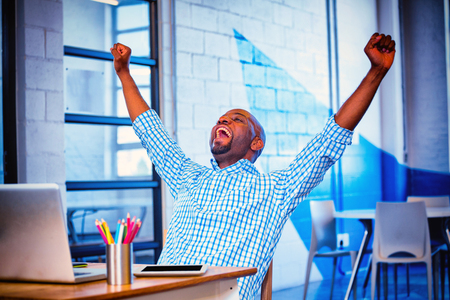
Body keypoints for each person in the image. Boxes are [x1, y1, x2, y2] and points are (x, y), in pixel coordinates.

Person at [110, 33, 395, 300]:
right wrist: (124, 73)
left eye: (236, 119)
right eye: (221, 119)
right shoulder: (188, 177)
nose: (222, 121)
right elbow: (150, 131)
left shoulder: (276, 188)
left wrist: (376, 72)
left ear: (256, 143)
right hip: (157, 292)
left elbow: (329, 140)